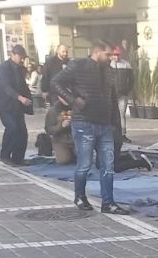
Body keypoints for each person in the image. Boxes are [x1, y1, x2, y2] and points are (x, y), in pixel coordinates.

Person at [52, 40, 129, 215]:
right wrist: (73, 100)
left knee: (108, 165)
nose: (111, 58)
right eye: (108, 55)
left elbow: (112, 97)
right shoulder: (78, 65)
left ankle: (108, 202)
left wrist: (117, 125)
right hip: (84, 122)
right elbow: (56, 82)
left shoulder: (109, 71)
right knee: (84, 164)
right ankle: (80, 196)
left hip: (105, 124)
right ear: (97, 53)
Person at [0, 46, 33, 167]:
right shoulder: (3, 68)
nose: (22, 60)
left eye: (23, 57)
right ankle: (5, 155)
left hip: (17, 106)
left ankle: (18, 158)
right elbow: (6, 87)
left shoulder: (20, 69)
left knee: (22, 132)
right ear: (13, 54)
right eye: (20, 57)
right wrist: (20, 98)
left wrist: (28, 99)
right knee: (12, 128)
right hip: (4, 104)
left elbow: (22, 86)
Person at [110, 47, 134, 143]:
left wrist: (127, 90)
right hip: (111, 95)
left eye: (117, 55)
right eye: (114, 55)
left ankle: (122, 134)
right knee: (111, 115)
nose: (116, 57)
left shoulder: (126, 64)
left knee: (121, 115)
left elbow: (132, 79)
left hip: (122, 94)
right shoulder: (108, 64)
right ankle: (112, 135)